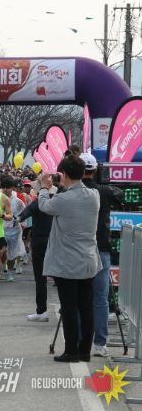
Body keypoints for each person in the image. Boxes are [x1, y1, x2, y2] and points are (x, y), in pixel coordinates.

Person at [38, 155, 101, 362]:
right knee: (86, 307)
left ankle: (71, 351)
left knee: (69, 308)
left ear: (63, 174)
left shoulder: (63, 200)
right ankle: (84, 351)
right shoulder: (94, 195)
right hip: (89, 260)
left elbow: (44, 206)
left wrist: (44, 188)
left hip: (67, 264)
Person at [81, 152, 123, 358]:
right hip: (101, 248)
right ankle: (100, 343)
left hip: (79, 250)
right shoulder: (104, 191)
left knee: (79, 297)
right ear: (96, 170)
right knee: (100, 298)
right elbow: (120, 195)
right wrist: (104, 180)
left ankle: (79, 341)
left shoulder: (71, 191)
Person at [18, 182, 57, 322]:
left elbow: (23, 215)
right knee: (61, 277)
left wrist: (16, 219)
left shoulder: (38, 202)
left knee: (40, 278)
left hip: (40, 242)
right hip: (56, 242)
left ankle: (42, 311)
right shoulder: (58, 201)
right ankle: (67, 309)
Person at [1, 176, 26, 278]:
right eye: (3, 187)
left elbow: (24, 212)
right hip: (1, 229)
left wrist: (21, 222)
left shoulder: (18, 201)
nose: (5, 189)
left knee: (12, 253)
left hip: (14, 230)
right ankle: (3, 267)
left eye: (8, 187)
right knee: (2, 250)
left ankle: (10, 272)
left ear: (12, 188)